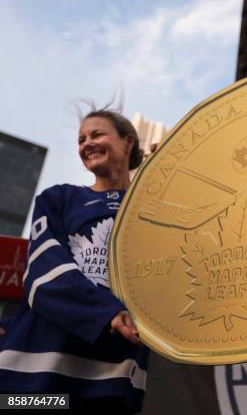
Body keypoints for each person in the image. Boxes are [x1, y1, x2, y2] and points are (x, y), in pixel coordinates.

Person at [0, 104, 149, 413]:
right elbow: (43, 271)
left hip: (114, 379)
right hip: (33, 375)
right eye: (81, 140)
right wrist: (106, 313)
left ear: (128, 141)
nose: (87, 144)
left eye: (97, 134)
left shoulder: (152, 207)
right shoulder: (59, 198)